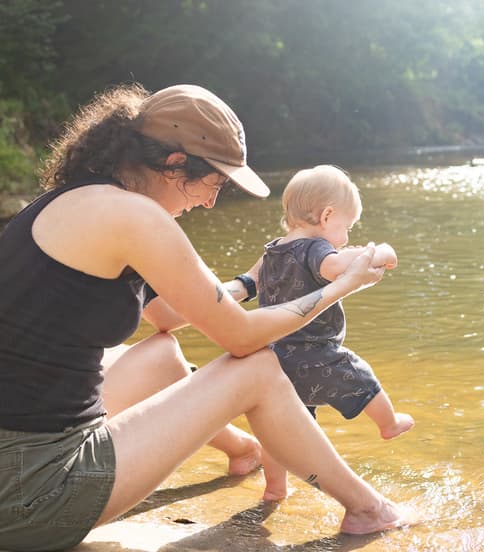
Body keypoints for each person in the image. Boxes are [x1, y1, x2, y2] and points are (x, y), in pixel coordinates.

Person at [0, 84, 412, 552]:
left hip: (13, 463)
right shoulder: (137, 218)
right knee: (259, 368)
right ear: (176, 164)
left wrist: (249, 282)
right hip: (33, 493)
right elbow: (241, 338)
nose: (211, 202)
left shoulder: (77, 200)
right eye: (214, 183)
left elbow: (167, 316)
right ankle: (368, 509)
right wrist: (341, 286)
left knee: (161, 354)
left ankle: (245, 451)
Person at [257, 165, 415, 498]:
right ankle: (388, 423)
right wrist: (381, 251)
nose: (345, 237)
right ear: (327, 216)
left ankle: (274, 488)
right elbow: (337, 267)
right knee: (359, 374)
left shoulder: (272, 251)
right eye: (347, 227)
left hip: (276, 359)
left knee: (278, 430)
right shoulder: (315, 248)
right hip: (316, 354)